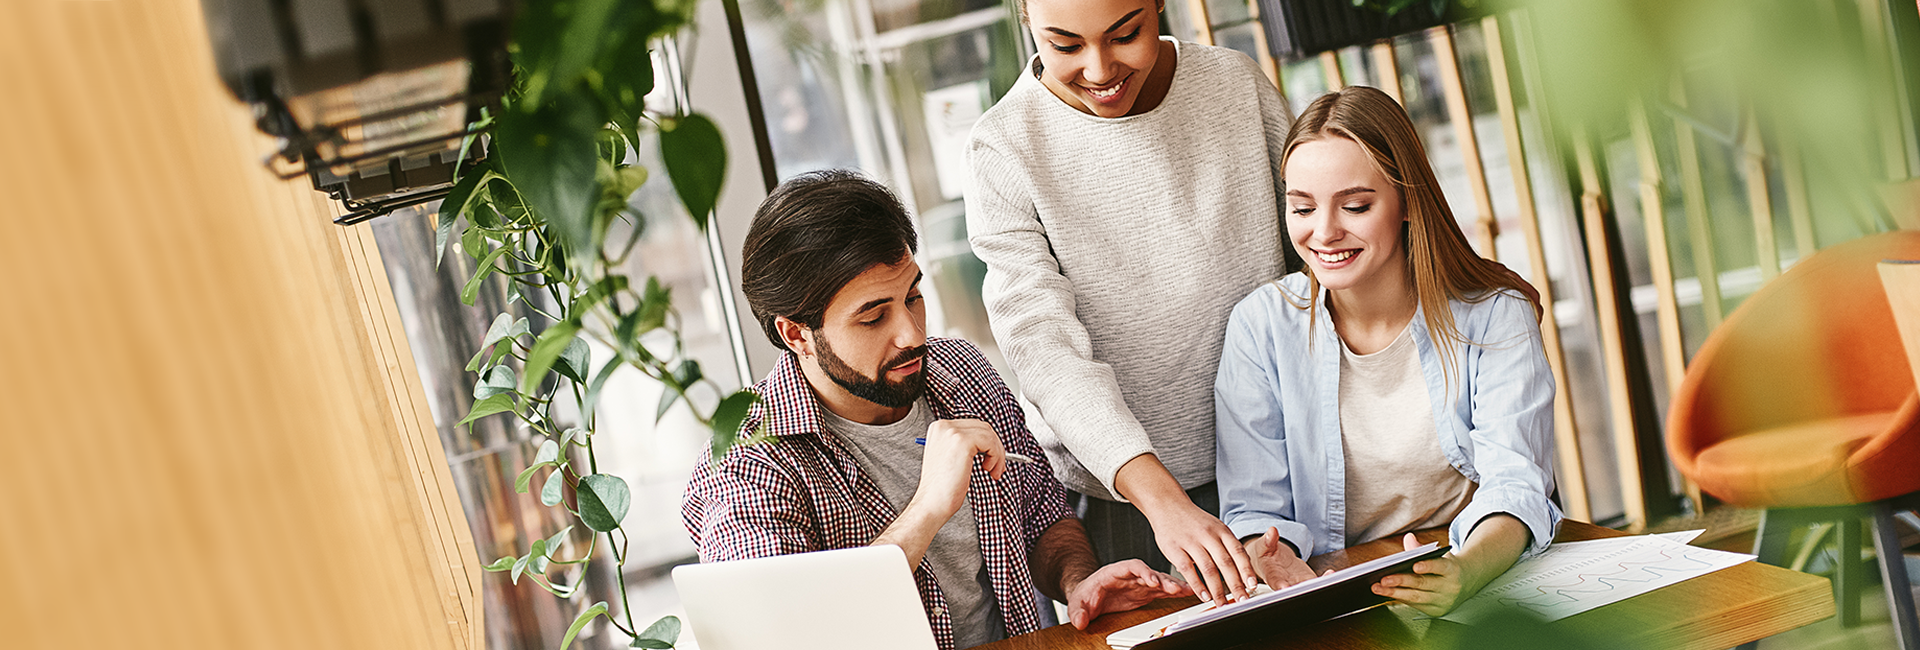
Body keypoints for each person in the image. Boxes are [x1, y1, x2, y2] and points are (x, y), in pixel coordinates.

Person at [683, 170, 1190, 650]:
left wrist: (1078, 582)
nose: (910, 334)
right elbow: (785, 636)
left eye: (913, 296)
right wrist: (929, 508)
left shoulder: (959, 369)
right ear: (797, 334)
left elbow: (1042, 515)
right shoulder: (747, 460)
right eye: (873, 317)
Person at [963, 0, 1295, 606]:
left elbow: (1311, 260)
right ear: (1024, 17)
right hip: (1127, 508)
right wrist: (1162, 499)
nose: (1099, 69)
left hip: (1286, 468)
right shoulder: (1004, 146)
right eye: (1065, 45)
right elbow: (1044, 349)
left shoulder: (1233, 85)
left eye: (1125, 35)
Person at [1213, 86, 1562, 616]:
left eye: (1355, 206)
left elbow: (1515, 484)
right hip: (1338, 591)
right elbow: (1255, 508)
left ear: (1405, 200)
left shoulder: (1495, 312)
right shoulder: (1261, 326)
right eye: (1302, 207)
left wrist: (1464, 571)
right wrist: (1272, 558)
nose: (1324, 233)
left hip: (1477, 572)